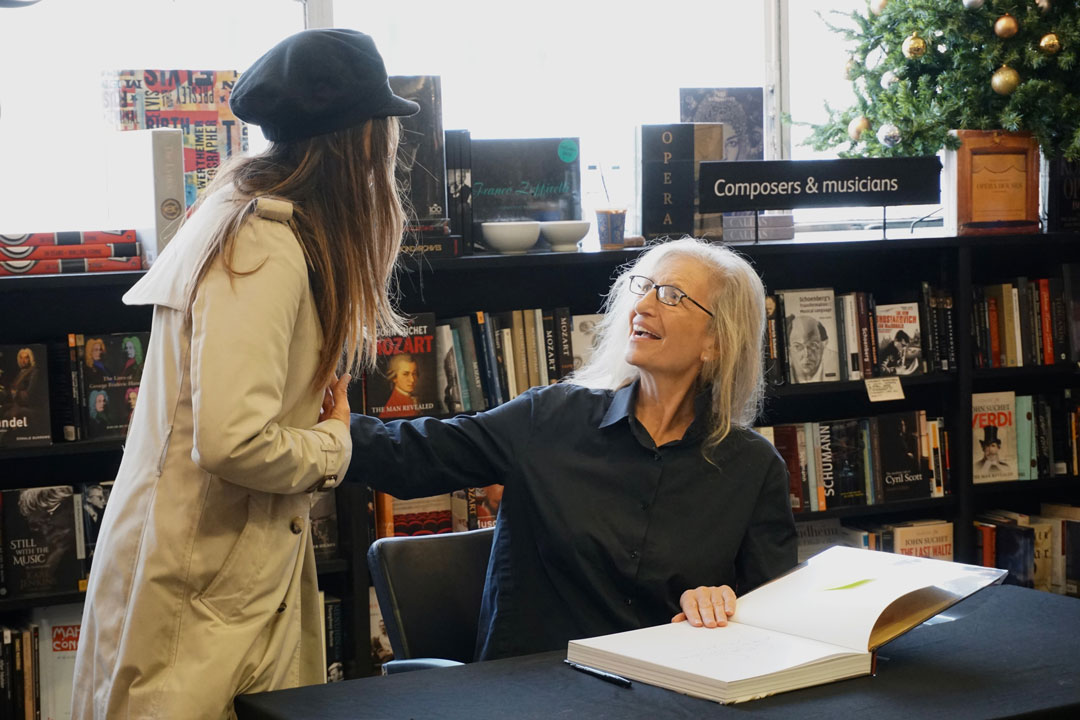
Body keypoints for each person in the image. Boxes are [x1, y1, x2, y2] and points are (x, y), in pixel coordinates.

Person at [71, 28, 419, 720]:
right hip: (204, 588)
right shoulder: (265, 244)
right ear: (359, 140)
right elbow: (232, 440)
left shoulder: (243, 216)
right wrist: (334, 444)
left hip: (221, 576)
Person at [329, 237, 798, 661]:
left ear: (716, 341)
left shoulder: (753, 468)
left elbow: (777, 617)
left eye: (672, 295)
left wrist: (725, 604)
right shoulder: (550, 418)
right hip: (536, 697)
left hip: (670, 694)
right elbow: (416, 455)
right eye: (643, 287)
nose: (644, 305)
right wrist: (326, 428)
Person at [785, 314, 838, 383]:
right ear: (789, 349)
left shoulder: (838, 365)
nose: (806, 354)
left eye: (813, 345)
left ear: (823, 345)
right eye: (797, 346)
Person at [378, 353, 421, 419]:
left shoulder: (410, 398)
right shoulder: (393, 405)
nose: (412, 380)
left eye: (414, 373)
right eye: (406, 374)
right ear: (394, 378)